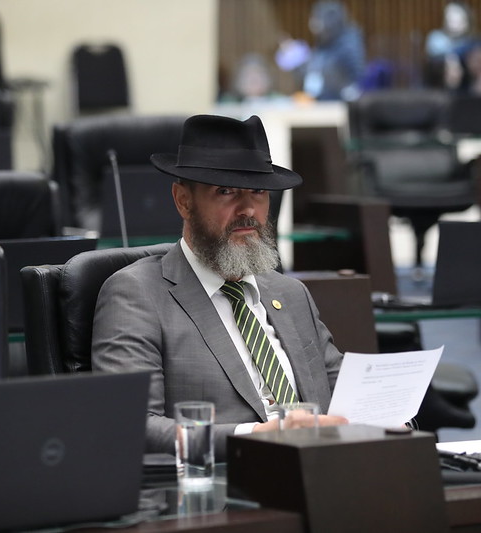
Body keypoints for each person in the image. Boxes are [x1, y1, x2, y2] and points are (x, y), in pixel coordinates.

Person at [91, 114, 348, 456]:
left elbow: (343, 394)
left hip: (323, 470)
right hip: (224, 479)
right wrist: (255, 436)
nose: (248, 209)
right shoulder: (136, 294)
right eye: (225, 192)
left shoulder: (290, 293)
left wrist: (388, 416)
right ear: (183, 200)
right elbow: (131, 424)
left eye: (259, 191)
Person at [276, 1, 365, 101]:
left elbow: (348, 73)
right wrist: (295, 56)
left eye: (317, 19)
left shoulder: (349, 40)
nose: (313, 24)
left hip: (345, 97)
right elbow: (314, 68)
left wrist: (309, 63)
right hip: (323, 98)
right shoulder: (324, 40)